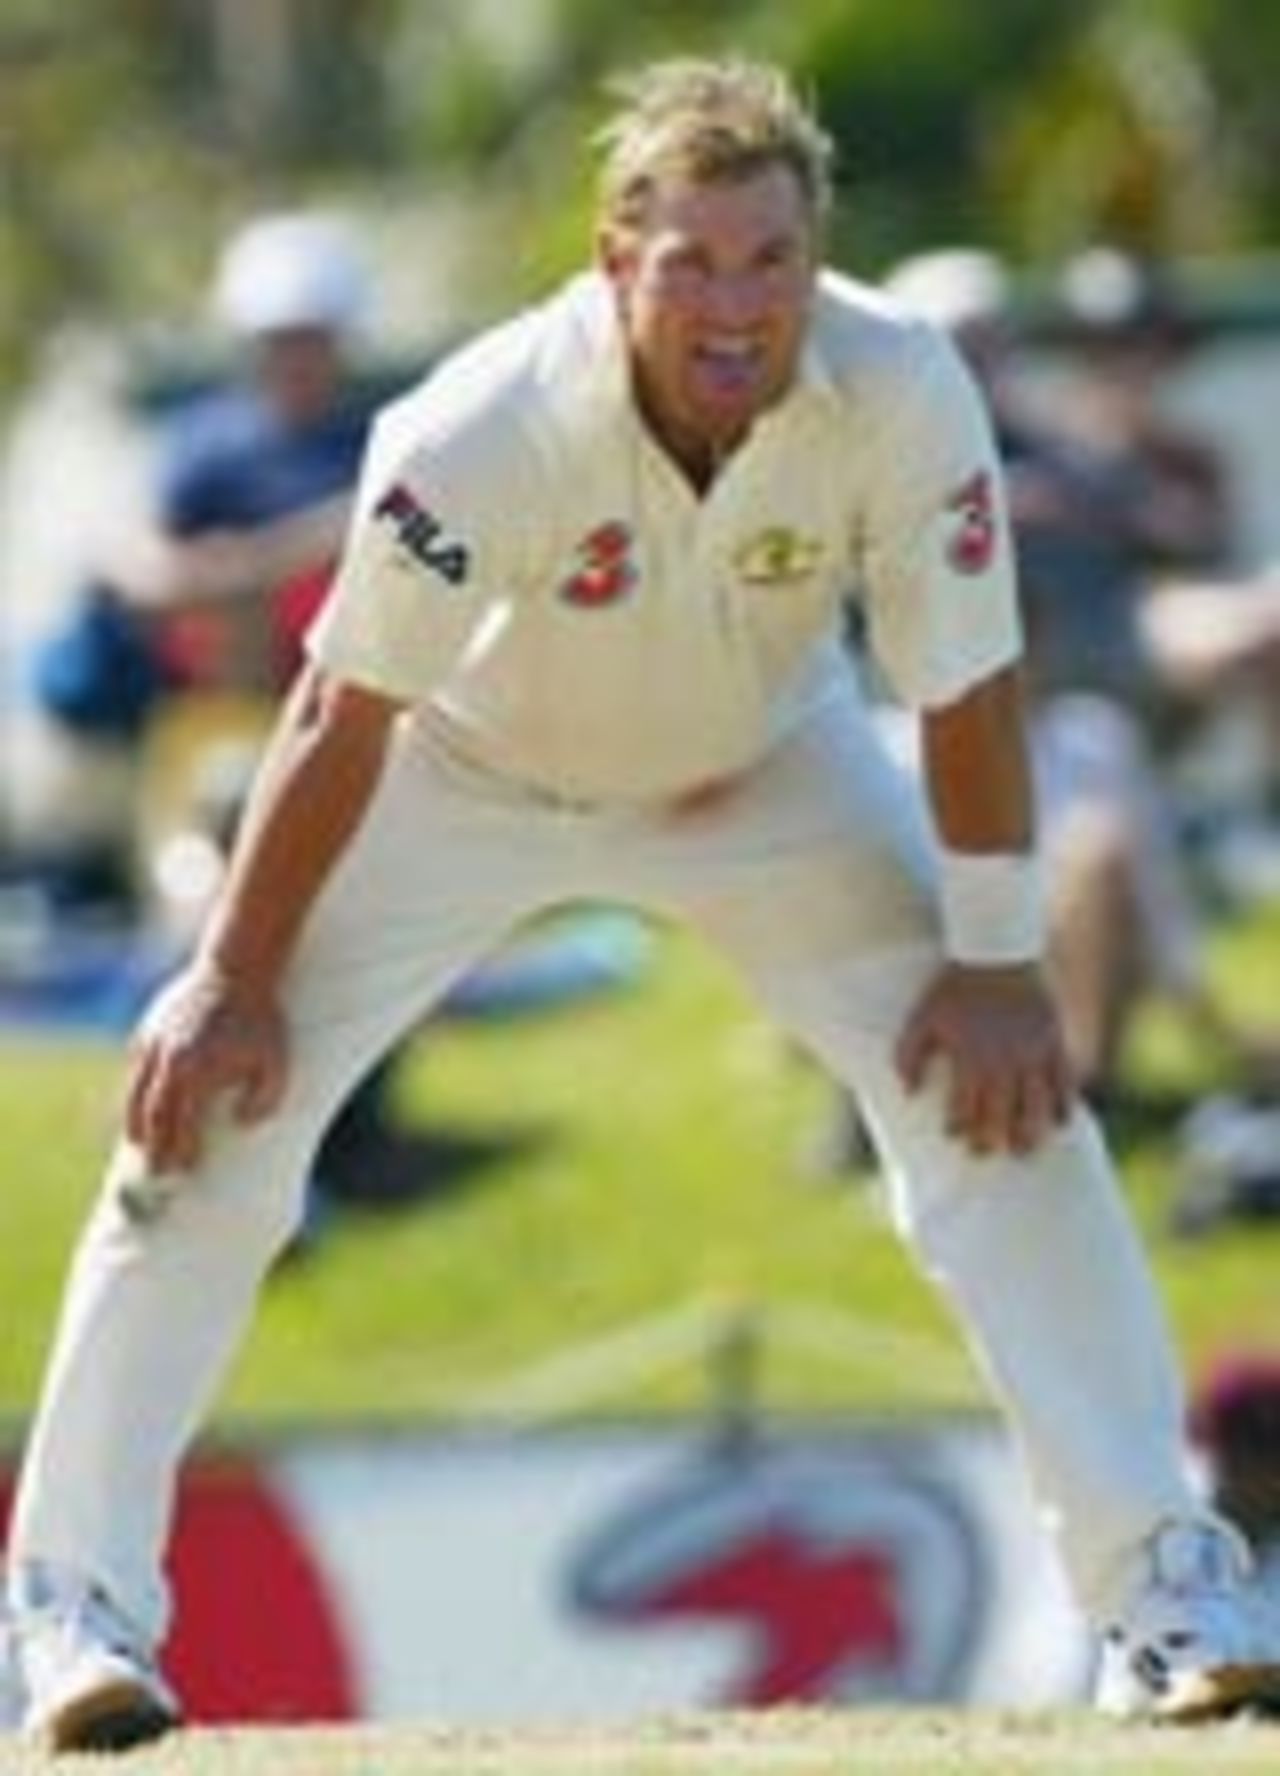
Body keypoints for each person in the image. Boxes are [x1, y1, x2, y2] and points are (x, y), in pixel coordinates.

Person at [3, 58, 1278, 1750]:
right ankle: (74, 1619)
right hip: (460, 780)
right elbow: (339, 712)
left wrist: (994, 965)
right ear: (617, 263)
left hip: (770, 769)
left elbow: (970, 693)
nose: (739, 308)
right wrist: (228, 977)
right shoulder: (482, 421)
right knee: (201, 1131)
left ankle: (1168, 1598)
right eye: (694, 265)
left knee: (1012, 1109)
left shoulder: (900, 388)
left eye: (772, 262)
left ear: (814, 260)